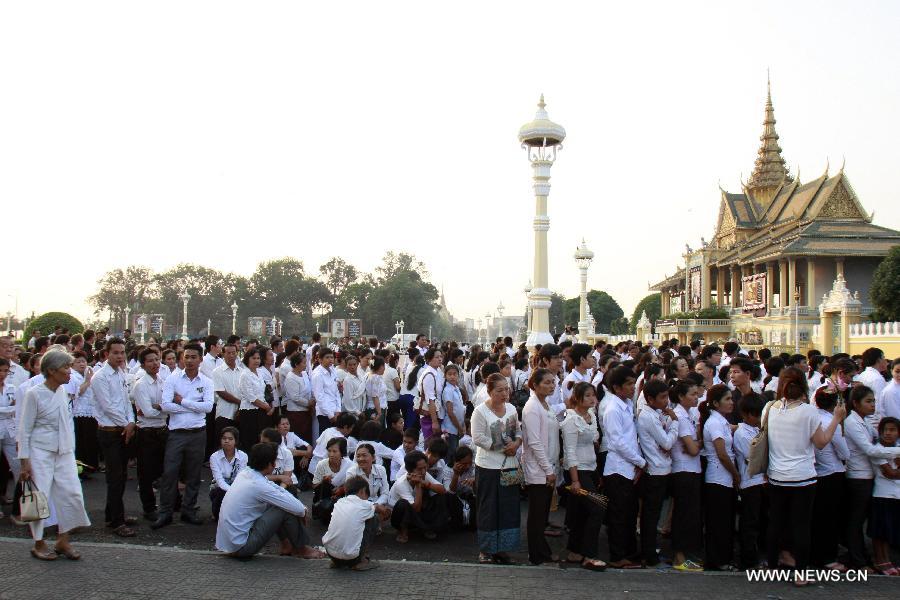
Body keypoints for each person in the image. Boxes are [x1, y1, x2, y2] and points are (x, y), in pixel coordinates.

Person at [764, 367, 845, 586]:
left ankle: (772, 568)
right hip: (802, 476)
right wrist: (836, 420)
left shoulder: (770, 408)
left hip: (776, 474)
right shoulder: (808, 411)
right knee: (801, 526)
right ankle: (801, 573)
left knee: (776, 523)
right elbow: (821, 442)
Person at [17, 348, 90, 560]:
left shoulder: (61, 391)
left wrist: (70, 449)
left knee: (72, 494)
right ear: (51, 370)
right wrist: (25, 463)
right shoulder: (34, 393)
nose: (70, 372)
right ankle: (38, 543)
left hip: (64, 451)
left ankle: (63, 540)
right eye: (66, 367)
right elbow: (25, 429)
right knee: (40, 498)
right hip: (40, 452)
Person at [215, 442, 324, 559]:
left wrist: (301, 509)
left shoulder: (246, 473)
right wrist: (302, 510)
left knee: (283, 504)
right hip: (241, 547)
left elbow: (275, 488)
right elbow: (294, 507)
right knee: (283, 508)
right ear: (269, 464)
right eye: (274, 461)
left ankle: (287, 545)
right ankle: (302, 549)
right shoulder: (258, 485)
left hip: (229, 545)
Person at [152, 342, 215, 530]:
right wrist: (193, 405)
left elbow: (208, 407)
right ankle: (165, 512)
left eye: (193, 357)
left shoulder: (207, 382)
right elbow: (166, 405)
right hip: (177, 433)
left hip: (198, 433)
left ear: (201, 360)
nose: (189, 360)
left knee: (194, 475)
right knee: (170, 473)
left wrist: (182, 401)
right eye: (186, 357)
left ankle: (188, 510)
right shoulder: (172, 379)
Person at [843, 383, 900, 571]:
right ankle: (857, 561)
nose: (873, 405)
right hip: (858, 477)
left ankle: (865, 558)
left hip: (867, 476)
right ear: (856, 403)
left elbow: (879, 441)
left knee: (867, 522)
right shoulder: (852, 422)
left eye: (874, 401)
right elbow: (870, 449)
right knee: (856, 521)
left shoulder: (865, 421)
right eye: (868, 401)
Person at [471, 372, 522, 564]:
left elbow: (518, 430)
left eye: (506, 389)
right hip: (488, 466)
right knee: (488, 508)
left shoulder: (511, 409)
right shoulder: (480, 411)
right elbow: (478, 438)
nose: (504, 394)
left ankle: (504, 549)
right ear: (490, 391)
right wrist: (501, 447)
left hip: (509, 465)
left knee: (508, 507)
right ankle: (486, 549)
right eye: (499, 390)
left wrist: (516, 444)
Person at [90, 337, 137, 537]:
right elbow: (107, 406)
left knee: (121, 475)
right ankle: (117, 521)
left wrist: (131, 422)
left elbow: (127, 401)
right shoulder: (100, 377)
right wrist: (126, 423)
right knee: (115, 477)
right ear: (106, 354)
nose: (119, 356)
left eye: (122, 352)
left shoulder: (122, 373)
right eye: (115, 352)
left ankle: (113, 515)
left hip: (123, 430)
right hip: (109, 431)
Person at [603, 365, 645, 569]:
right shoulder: (612, 409)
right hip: (618, 468)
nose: (632, 388)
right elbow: (618, 442)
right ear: (617, 387)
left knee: (629, 512)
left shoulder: (627, 404)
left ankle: (629, 552)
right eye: (629, 384)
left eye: (633, 383)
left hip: (629, 467)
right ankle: (617, 555)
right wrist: (640, 461)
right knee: (619, 515)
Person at [561, 381, 605, 570]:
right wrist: (575, 480)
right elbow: (570, 451)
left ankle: (575, 551)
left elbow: (594, 439)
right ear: (577, 398)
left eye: (593, 395)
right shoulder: (571, 420)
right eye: (587, 395)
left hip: (591, 468)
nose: (592, 399)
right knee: (597, 508)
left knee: (581, 512)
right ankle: (589, 554)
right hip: (577, 470)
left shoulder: (591, 416)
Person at [636, 378, 678, 567]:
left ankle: (649, 550)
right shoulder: (648, 416)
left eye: (667, 396)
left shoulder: (655, 413)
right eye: (662, 397)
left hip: (660, 467)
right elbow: (667, 442)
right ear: (650, 399)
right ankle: (649, 553)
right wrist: (675, 423)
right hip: (655, 470)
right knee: (651, 515)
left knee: (652, 514)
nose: (666, 401)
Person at [699, 384, 740, 571]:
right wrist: (735, 474)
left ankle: (723, 558)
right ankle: (717, 560)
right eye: (727, 399)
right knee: (718, 523)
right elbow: (722, 454)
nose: (731, 403)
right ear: (715, 403)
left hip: (724, 478)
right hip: (718, 477)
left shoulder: (721, 421)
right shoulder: (714, 423)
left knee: (725, 521)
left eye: (731, 398)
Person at [521, 367, 560, 565]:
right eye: (546, 382)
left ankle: (542, 550)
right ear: (534, 385)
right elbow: (535, 443)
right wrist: (548, 470)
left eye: (552, 382)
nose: (551, 386)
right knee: (536, 515)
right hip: (538, 470)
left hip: (548, 466)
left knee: (542, 513)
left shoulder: (545, 405)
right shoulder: (532, 408)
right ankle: (536, 555)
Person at [668, 379, 703, 572]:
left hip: (692, 469)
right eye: (692, 394)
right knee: (683, 514)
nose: (696, 397)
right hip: (683, 470)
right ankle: (679, 555)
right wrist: (699, 443)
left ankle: (685, 552)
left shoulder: (689, 414)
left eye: (697, 394)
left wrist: (697, 443)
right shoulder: (680, 416)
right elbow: (692, 448)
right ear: (681, 397)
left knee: (689, 514)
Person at [131, 347, 168, 521]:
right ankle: (149, 508)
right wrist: (164, 408)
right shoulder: (141, 384)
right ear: (143, 364)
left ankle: (169, 504)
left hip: (162, 430)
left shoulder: (162, 381)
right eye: (150, 361)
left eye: (157, 360)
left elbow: (167, 407)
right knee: (146, 474)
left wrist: (161, 408)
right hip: (146, 432)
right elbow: (147, 412)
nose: (155, 363)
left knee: (165, 471)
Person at [322, 475, 390, 571]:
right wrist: (386, 512)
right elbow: (380, 509)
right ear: (362, 491)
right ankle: (360, 561)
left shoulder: (339, 502)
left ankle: (337, 562)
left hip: (330, 553)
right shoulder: (365, 504)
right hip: (351, 557)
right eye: (366, 496)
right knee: (373, 518)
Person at [733, 392, 767, 571]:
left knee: (761, 522)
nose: (759, 418)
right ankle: (748, 560)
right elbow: (753, 457)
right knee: (750, 523)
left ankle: (759, 556)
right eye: (755, 414)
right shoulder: (741, 434)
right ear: (745, 414)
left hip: (761, 482)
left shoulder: (757, 429)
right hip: (750, 482)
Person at [388, 450, 448, 543]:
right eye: (420, 469)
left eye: (425, 467)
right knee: (403, 504)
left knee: (439, 497)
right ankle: (403, 531)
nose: (423, 471)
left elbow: (443, 490)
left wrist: (426, 484)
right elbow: (416, 509)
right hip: (401, 517)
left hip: (416, 514)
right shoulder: (401, 484)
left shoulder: (424, 474)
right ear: (409, 470)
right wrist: (419, 485)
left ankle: (428, 527)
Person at [868, 417, 900, 576]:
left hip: (896, 496)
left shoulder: (897, 448)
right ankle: (881, 560)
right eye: (885, 430)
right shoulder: (878, 449)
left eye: (892, 430)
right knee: (880, 531)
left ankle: (888, 560)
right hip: (882, 494)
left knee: (889, 531)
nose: (888, 433)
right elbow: (891, 473)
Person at [209, 427, 247, 520]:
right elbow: (219, 480)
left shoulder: (243, 456)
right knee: (221, 493)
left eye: (230, 439)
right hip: (219, 488)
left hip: (237, 487)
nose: (227, 441)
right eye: (224, 438)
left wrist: (234, 491)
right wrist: (231, 491)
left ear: (236, 441)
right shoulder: (214, 457)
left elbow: (240, 478)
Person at [237, 348, 271, 454]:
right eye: (253, 358)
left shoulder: (260, 373)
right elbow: (251, 397)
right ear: (247, 359)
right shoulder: (245, 374)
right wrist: (266, 406)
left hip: (261, 411)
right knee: (250, 441)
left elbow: (263, 392)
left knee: (261, 440)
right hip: (249, 412)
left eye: (258, 358)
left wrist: (268, 405)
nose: (256, 360)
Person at [312, 436, 353, 523]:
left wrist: (342, 489)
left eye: (335, 451)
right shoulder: (322, 464)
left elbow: (353, 485)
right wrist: (324, 481)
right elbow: (315, 486)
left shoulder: (349, 465)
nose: (331, 454)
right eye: (329, 451)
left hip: (343, 496)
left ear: (342, 452)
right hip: (325, 496)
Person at [345, 442, 390, 508]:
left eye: (364, 455)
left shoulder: (381, 470)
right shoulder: (352, 472)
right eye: (358, 456)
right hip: (358, 507)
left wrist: (375, 505)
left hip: (376, 504)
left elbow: (385, 493)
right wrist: (371, 507)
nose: (361, 459)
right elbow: (350, 497)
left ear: (373, 457)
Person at [212, 342, 242, 440]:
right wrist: (240, 403)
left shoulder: (242, 372)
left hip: (240, 414)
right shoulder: (217, 372)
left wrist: (240, 408)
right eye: (228, 353)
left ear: (237, 353)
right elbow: (221, 392)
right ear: (223, 354)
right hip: (224, 414)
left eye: (233, 353)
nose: (231, 355)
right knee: (222, 442)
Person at [283, 353, 313, 442]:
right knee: (299, 437)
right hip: (296, 412)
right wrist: (308, 403)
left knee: (307, 436)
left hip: (306, 411)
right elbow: (295, 397)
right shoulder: (290, 377)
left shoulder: (304, 374)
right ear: (296, 364)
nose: (305, 365)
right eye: (303, 363)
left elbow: (309, 389)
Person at [312, 348, 341, 436]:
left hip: (335, 410)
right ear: (320, 360)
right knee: (326, 439)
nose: (330, 360)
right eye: (327, 357)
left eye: (332, 357)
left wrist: (338, 410)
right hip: (325, 413)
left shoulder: (333, 370)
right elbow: (319, 397)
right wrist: (330, 415)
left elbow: (337, 392)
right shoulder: (318, 374)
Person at [441, 364, 465, 462]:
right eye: (449, 374)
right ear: (445, 376)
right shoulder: (448, 390)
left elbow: (460, 409)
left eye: (454, 374)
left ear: (458, 376)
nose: (452, 376)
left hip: (457, 427)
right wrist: (459, 428)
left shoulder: (456, 388)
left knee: (454, 453)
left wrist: (462, 426)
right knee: (450, 456)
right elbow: (450, 413)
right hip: (451, 428)